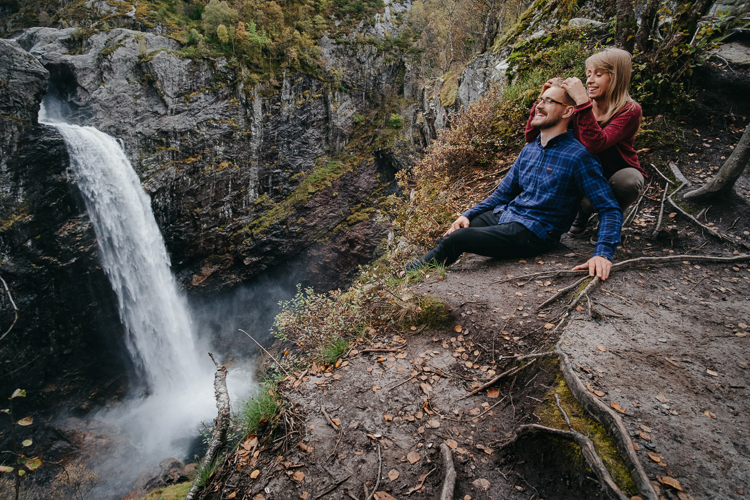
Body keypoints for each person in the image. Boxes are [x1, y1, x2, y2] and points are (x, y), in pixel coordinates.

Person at [406, 80, 623, 280]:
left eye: (549, 101)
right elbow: (502, 195)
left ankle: (406, 275)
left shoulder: (579, 157)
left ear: (568, 111)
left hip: (534, 233)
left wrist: (603, 254)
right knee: (459, 228)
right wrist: (467, 214)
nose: (539, 106)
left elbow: (609, 208)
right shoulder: (529, 149)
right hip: (509, 216)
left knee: (458, 239)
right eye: (540, 100)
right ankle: (418, 273)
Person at [525, 48, 646, 236]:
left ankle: (610, 221)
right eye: (588, 74)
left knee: (630, 180)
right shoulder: (577, 103)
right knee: (580, 195)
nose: (589, 80)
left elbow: (595, 144)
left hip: (613, 175)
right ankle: (581, 211)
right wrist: (542, 100)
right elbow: (532, 137)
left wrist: (582, 101)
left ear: (616, 77)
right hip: (583, 175)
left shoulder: (629, 110)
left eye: (598, 74)